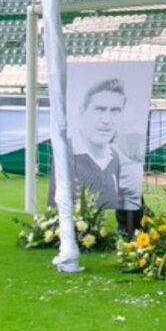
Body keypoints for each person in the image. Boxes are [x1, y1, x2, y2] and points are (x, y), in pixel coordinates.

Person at [51, 77, 145, 239]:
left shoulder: (118, 156)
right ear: (82, 111)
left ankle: (129, 228)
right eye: (99, 109)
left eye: (115, 111)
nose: (107, 120)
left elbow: (131, 194)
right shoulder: (67, 155)